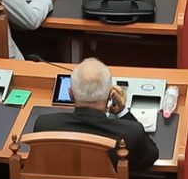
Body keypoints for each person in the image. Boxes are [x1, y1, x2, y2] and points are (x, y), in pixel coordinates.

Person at [30, 56, 161, 171]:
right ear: (110, 95)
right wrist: (122, 112)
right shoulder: (131, 134)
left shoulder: (44, 126)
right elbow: (152, 154)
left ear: (71, 94)